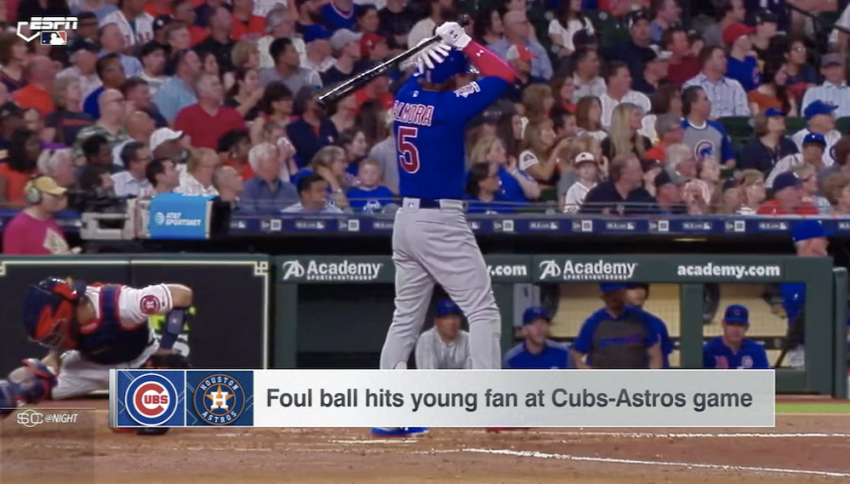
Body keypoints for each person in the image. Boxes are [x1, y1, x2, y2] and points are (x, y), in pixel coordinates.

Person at [372, 21, 514, 438]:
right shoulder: (448, 108)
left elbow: (428, 76)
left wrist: (433, 53)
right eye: (458, 71)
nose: (463, 76)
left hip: (406, 222)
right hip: (440, 221)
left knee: (404, 319)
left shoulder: (404, 96)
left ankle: (388, 411)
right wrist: (466, 43)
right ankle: (492, 405)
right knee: (483, 309)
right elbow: (504, 74)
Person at [0, 277, 192, 434]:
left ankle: (136, 403)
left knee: (150, 418)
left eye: (54, 334)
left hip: (140, 363)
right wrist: (52, 359)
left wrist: (165, 350)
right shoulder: (69, 323)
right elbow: (63, 338)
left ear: (67, 314)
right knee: (29, 384)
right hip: (90, 367)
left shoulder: (122, 303)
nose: (54, 339)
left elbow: (182, 294)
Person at [571, 283, 663, 369]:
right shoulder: (593, 322)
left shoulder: (642, 319)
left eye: (616, 293)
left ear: (624, 293)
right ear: (602, 296)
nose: (613, 298)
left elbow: (655, 356)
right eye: (609, 294)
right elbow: (574, 357)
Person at [780, 220, 832, 369]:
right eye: (822, 238)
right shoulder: (791, 273)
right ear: (809, 241)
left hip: (831, 345)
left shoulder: (827, 270)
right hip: (804, 349)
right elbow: (802, 312)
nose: (827, 242)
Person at [2, 176, 72, 255]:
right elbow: (12, 262)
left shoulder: (51, 222)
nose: (58, 199)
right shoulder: (19, 226)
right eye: (53, 195)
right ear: (35, 196)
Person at [703, 305, 770, 369]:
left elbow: (764, 379)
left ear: (747, 327)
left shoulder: (756, 350)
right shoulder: (709, 350)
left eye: (740, 325)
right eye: (731, 324)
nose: (735, 330)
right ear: (723, 324)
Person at [503, 306, 570, 369]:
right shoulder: (512, 359)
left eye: (543, 323)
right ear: (524, 330)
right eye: (533, 324)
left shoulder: (562, 353)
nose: (539, 328)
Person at [414, 299, 470, 369]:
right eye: (446, 318)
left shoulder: (468, 339)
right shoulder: (426, 339)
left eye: (455, 317)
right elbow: (428, 376)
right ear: (436, 321)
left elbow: (473, 373)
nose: (451, 322)